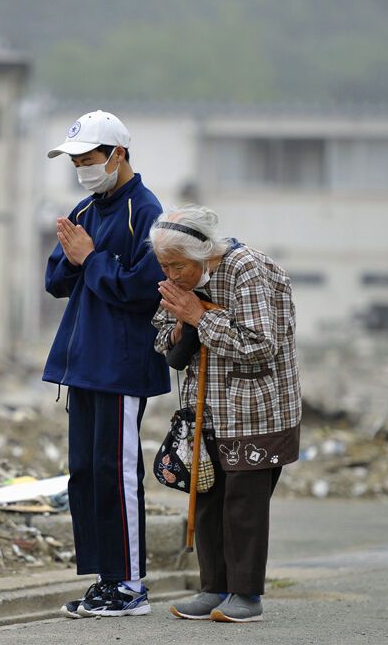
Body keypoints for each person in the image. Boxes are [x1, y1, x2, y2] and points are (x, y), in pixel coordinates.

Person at [148, 205, 301, 623]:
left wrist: (200, 316)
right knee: (208, 498)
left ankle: (246, 595)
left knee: (244, 505)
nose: (171, 274)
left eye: (177, 265)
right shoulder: (180, 278)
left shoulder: (245, 268)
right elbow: (163, 336)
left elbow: (259, 346)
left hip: (256, 409)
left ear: (203, 255)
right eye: (164, 265)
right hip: (206, 407)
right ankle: (212, 588)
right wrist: (182, 322)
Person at [43, 110, 170, 618]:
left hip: (120, 365)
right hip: (83, 366)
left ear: (118, 155)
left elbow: (142, 291)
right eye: (75, 160)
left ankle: (131, 585)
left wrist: (91, 259)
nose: (82, 168)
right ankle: (106, 581)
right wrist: (79, 258)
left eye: (89, 158)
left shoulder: (149, 212)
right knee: (86, 473)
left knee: (118, 473)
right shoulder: (86, 207)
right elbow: (57, 279)